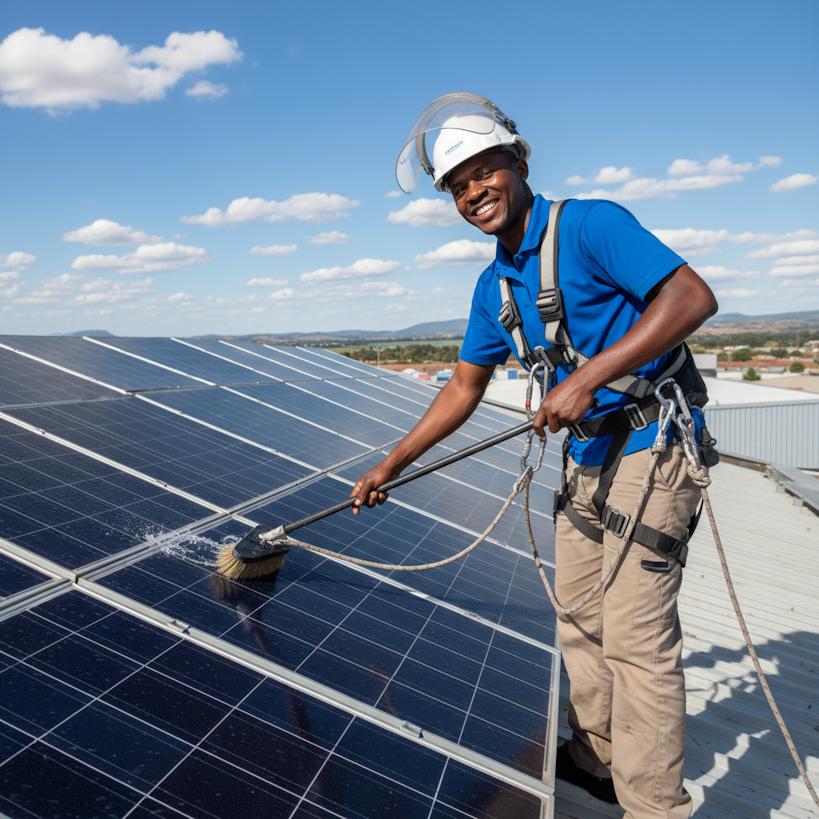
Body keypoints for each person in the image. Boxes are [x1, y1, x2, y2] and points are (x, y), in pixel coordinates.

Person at [351, 92, 718, 819]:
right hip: (585, 459)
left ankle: (653, 807)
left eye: (481, 173)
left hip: (651, 445)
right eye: (456, 187)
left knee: (635, 640)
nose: (471, 194)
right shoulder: (494, 287)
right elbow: (462, 386)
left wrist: (585, 376)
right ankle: (596, 761)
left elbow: (690, 297)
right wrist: (391, 463)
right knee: (578, 620)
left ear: (517, 163)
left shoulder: (588, 225)